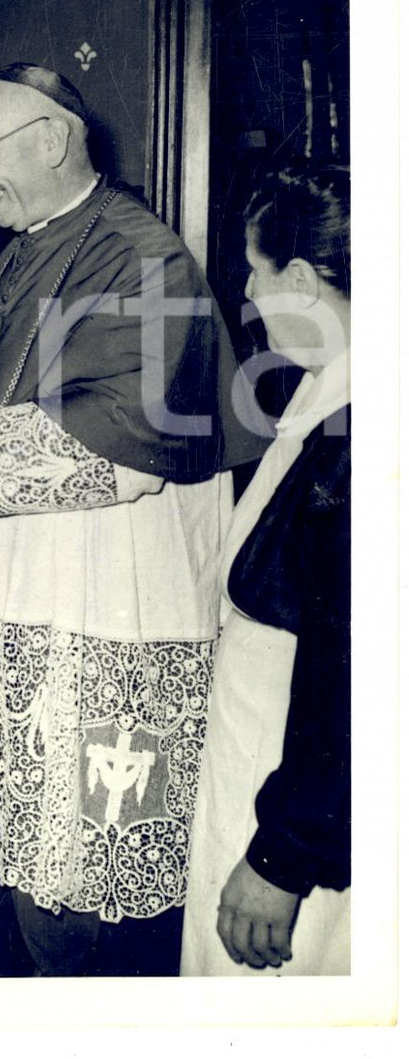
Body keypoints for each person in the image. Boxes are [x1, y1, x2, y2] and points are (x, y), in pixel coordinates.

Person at [0, 62, 266, 978]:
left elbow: (131, 437)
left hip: (92, 594)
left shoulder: (146, 257)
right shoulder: (8, 251)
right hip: (1, 589)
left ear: (50, 139)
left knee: (74, 859)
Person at [181, 164, 351, 977]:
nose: (248, 294)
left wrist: (282, 856)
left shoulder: (363, 437)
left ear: (302, 278)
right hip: (255, 748)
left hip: (286, 786)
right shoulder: (324, 389)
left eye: (256, 271)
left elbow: (355, 678)